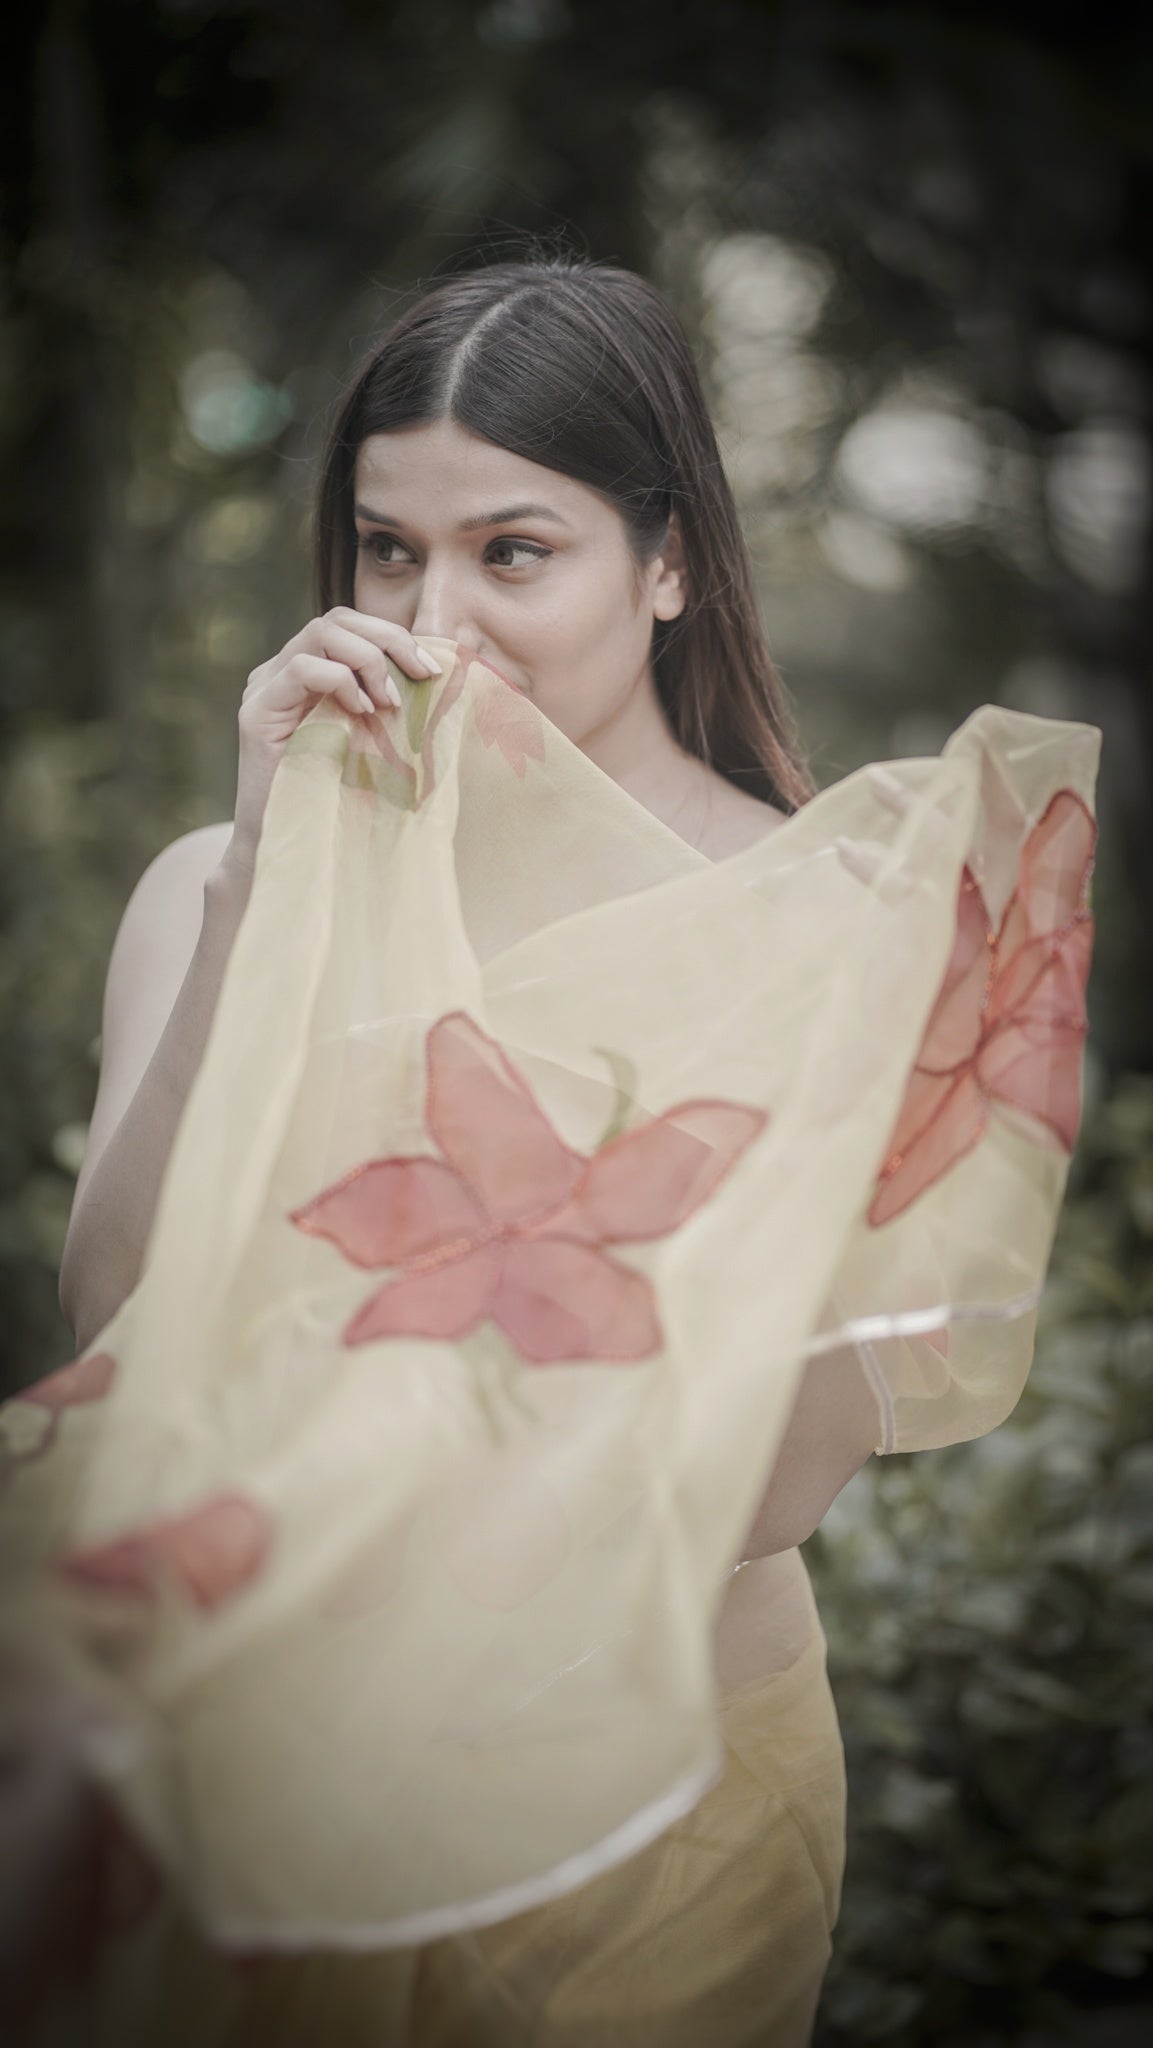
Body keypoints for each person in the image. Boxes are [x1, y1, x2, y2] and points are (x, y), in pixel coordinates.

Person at [6, 254, 1099, 2047]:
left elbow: (771, 1481)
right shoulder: (218, 887)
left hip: (659, 1804)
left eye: (513, 552)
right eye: (385, 550)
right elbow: (121, 1309)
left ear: (667, 565)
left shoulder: (832, 932)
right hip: (256, 1758)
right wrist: (265, 886)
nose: (435, 618)